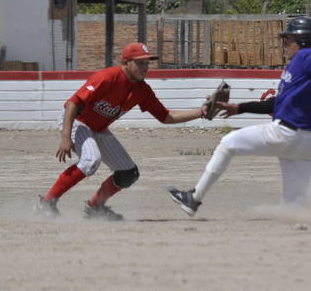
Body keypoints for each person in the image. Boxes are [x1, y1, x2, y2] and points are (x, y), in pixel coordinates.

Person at [167, 16, 311, 216]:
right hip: (305, 143)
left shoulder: (306, 56)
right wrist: (238, 108)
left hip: (285, 133)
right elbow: (275, 103)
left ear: (302, 40)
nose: (284, 44)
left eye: (289, 39)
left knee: (228, 142)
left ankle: (194, 198)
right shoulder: (302, 70)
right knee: (295, 206)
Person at [36, 42, 207, 220]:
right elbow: (73, 103)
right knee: (91, 160)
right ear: (126, 62)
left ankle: (94, 207)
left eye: (147, 63)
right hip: (77, 120)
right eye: (140, 63)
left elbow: (166, 116)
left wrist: (201, 112)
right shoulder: (107, 77)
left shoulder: (142, 90)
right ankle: (46, 203)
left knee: (128, 173)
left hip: (98, 128)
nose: (145, 67)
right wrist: (66, 137)